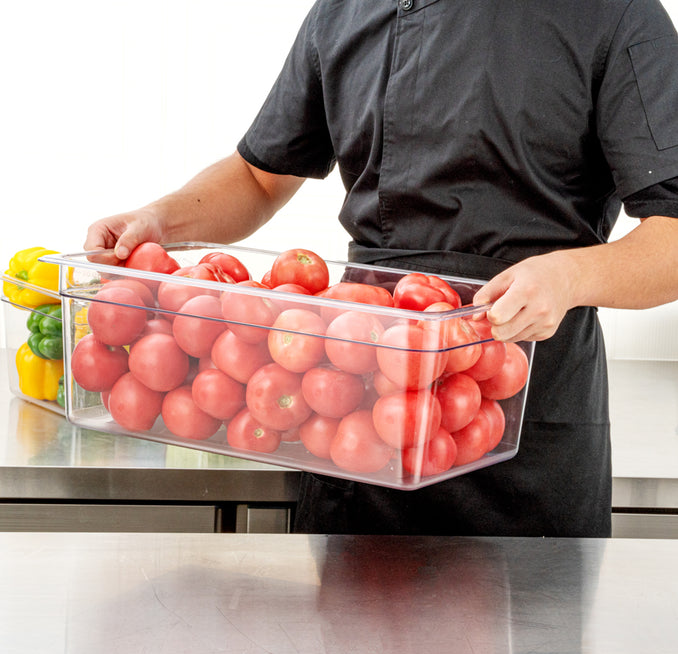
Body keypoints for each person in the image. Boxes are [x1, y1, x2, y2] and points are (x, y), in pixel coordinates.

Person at [85, 0, 678, 538]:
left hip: (519, 397)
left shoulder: (617, 14)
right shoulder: (344, 11)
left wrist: (569, 278)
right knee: (354, 616)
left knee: (529, 619)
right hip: (359, 387)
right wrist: (160, 219)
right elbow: (258, 177)